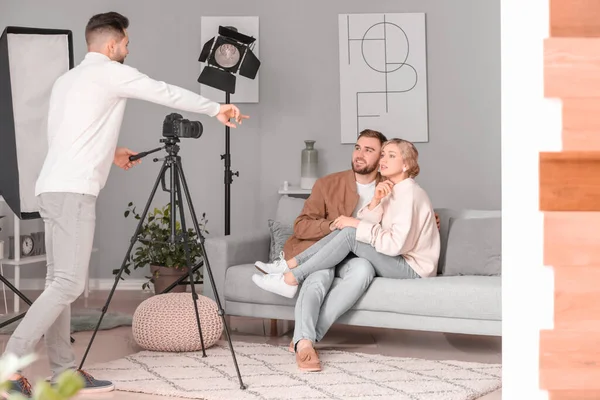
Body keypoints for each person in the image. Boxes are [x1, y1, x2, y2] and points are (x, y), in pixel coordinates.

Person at [2, 11, 248, 398]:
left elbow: (65, 134)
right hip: (74, 191)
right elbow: (162, 90)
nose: (128, 49)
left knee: (58, 283)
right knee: (67, 283)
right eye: (126, 44)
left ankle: (64, 371)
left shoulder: (67, 80)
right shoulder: (110, 72)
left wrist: (110, 152)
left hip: (51, 187)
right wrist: (215, 108)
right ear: (111, 44)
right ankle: (10, 366)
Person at [253, 138, 440, 369]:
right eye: (384, 155)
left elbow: (394, 245)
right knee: (359, 260)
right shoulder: (393, 190)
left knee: (351, 232)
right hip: (397, 260)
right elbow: (372, 224)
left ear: (406, 165)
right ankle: (306, 339)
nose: (384, 159)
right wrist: (375, 202)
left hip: (412, 268)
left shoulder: (409, 192)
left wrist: (354, 223)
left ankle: (291, 273)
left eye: (391, 155)